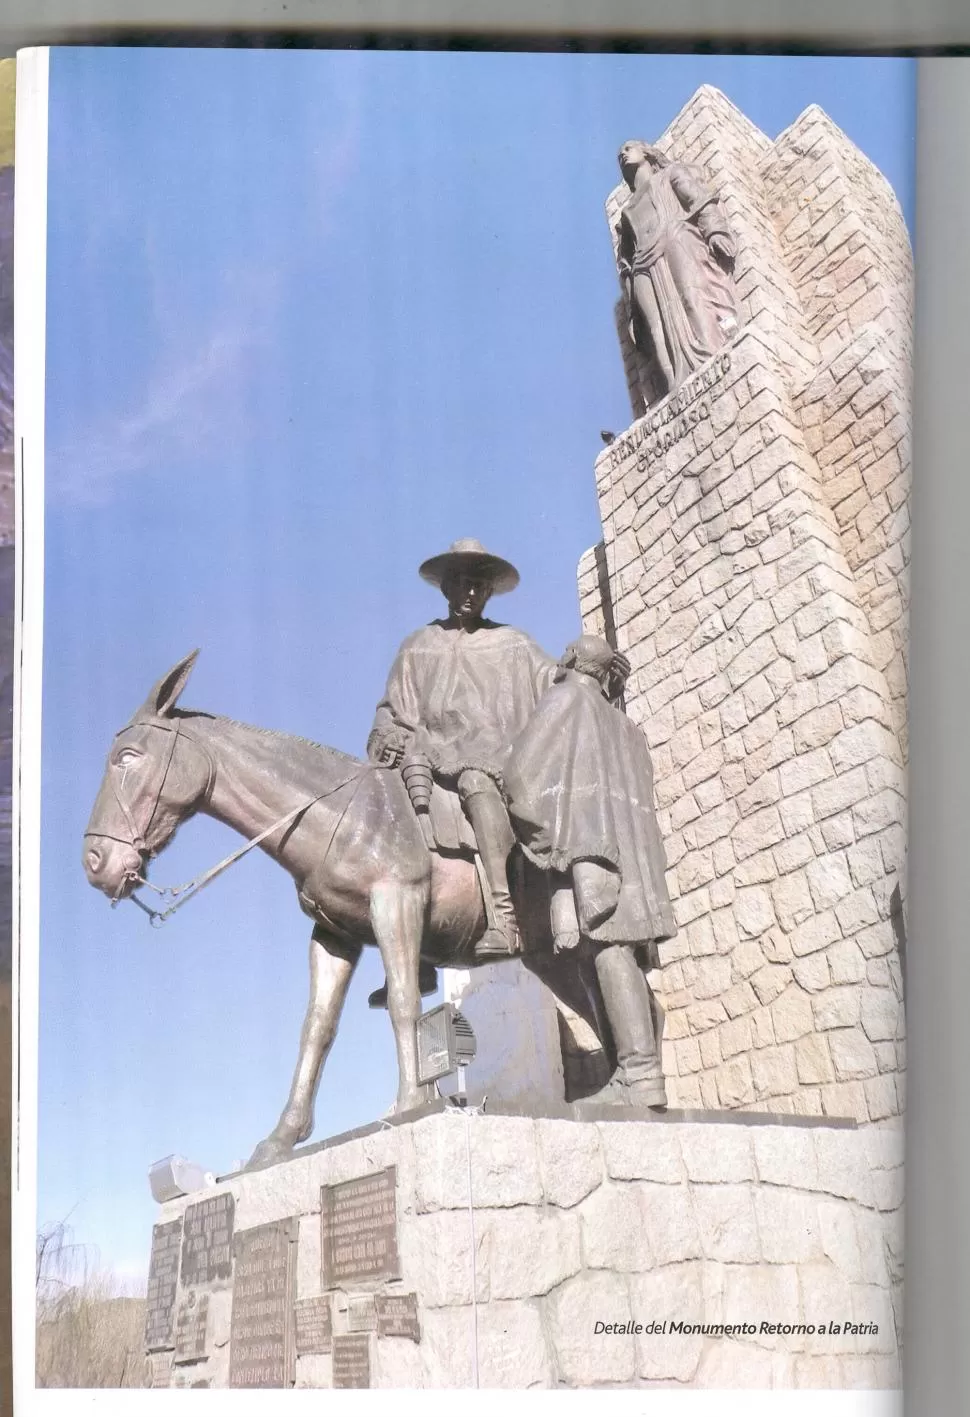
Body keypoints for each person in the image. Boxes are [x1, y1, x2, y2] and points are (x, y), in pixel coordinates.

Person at [502, 634, 677, 1106]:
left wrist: (541, 842)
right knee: (608, 951)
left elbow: (520, 775)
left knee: (603, 949)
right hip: (636, 860)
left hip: (590, 852)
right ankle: (631, 1068)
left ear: (573, 662)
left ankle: (638, 1075)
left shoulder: (565, 700)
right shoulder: (629, 729)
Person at [367, 538, 556, 960]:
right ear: (446, 588)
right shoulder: (417, 645)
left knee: (477, 786)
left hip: (488, 756)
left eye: (479, 585)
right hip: (425, 754)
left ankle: (505, 919)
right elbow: (392, 710)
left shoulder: (513, 644)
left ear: (489, 593)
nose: (471, 592)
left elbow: (554, 683)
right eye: (463, 583)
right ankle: (405, 951)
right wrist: (388, 735)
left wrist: (588, 673)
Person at [616, 138, 738, 404]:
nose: (623, 154)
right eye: (619, 155)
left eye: (628, 147)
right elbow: (624, 263)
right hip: (642, 267)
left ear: (646, 151)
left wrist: (715, 229)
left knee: (693, 301)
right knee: (657, 332)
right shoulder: (625, 212)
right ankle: (675, 389)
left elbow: (699, 200)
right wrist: (630, 311)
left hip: (675, 238)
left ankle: (710, 356)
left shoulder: (671, 174)